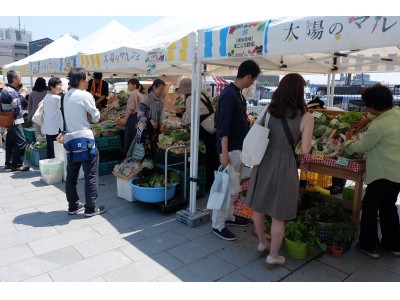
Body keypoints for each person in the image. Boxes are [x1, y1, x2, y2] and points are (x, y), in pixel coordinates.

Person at [246, 73, 314, 269]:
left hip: (263, 160)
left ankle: (262, 243)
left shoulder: (268, 109)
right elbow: (306, 150)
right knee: (278, 214)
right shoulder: (306, 117)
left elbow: (257, 131)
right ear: (300, 92)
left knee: (258, 207)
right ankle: (273, 255)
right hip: (285, 165)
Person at [344, 84, 400, 259]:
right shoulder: (396, 112)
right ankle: (393, 244)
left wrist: (347, 142)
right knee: (388, 207)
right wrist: (365, 120)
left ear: (375, 105)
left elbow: (361, 146)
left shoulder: (379, 126)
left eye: (368, 105)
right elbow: (376, 113)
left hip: (382, 173)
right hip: (397, 173)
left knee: (369, 207)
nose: (366, 108)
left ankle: (368, 245)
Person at [213, 59, 261, 241]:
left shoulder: (238, 94)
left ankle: (229, 216)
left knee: (234, 188)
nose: (252, 83)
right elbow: (222, 127)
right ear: (248, 76)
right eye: (253, 80)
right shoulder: (229, 95)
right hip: (230, 150)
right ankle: (217, 224)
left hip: (238, 149)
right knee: (225, 188)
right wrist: (223, 153)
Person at [62, 68, 105, 217]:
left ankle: (73, 206)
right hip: (86, 140)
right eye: (87, 78)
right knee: (90, 175)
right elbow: (96, 118)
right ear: (81, 81)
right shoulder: (85, 95)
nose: (88, 81)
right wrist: (90, 113)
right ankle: (90, 208)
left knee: (71, 175)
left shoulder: (65, 96)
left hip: (71, 141)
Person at [175, 78, 218, 190]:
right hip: (212, 129)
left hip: (204, 130)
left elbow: (190, 119)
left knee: (206, 158)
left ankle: (207, 184)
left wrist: (183, 121)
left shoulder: (189, 98)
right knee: (213, 157)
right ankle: (213, 183)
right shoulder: (201, 94)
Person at [0, 70, 29, 171]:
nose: (21, 78)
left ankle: (9, 163)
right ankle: (17, 165)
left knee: (11, 143)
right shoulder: (9, 90)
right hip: (14, 120)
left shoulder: (9, 89)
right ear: (14, 79)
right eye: (19, 77)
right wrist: (23, 93)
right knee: (21, 142)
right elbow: (15, 104)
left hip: (11, 120)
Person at [130, 79, 166, 160]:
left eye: (163, 90)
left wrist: (160, 124)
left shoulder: (161, 101)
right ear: (154, 87)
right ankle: (144, 168)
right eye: (160, 89)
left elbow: (160, 115)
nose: (162, 91)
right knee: (145, 151)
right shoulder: (146, 99)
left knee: (153, 150)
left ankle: (151, 166)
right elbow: (139, 116)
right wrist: (150, 120)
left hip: (155, 130)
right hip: (145, 130)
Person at [41, 77, 63, 159]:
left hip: (49, 126)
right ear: (51, 87)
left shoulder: (47, 96)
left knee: (50, 149)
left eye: (61, 85)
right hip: (55, 127)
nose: (60, 87)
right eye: (58, 85)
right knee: (57, 150)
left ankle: (49, 167)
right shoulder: (56, 98)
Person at [122, 78, 144, 155]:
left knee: (130, 137)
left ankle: (129, 155)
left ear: (134, 85)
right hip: (140, 118)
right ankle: (136, 156)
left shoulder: (133, 94)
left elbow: (131, 109)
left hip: (134, 118)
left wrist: (125, 119)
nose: (128, 86)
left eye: (129, 84)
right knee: (137, 138)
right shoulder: (140, 94)